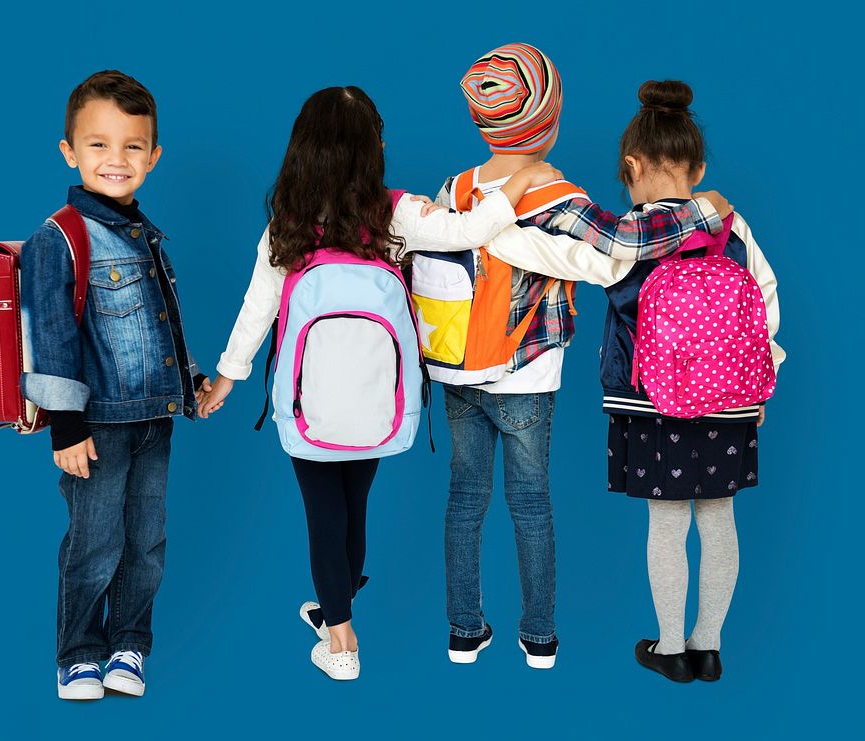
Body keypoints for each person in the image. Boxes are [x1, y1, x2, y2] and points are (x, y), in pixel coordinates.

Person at [195, 85, 563, 681]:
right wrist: (519, 180)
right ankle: (335, 613)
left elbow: (257, 308)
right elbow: (471, 231)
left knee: (322, 510)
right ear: (370, 150)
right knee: (353, 506)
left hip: (305, 400)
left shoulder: (285, 227)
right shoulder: (395, 212)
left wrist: (227, 379)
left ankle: (339, 638)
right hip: (378, 403)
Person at [431, 43, 732, 670]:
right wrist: (701, 211)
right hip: (524, 370)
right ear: (550, 118)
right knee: (531, 503)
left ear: (483, 119)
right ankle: (538, 639)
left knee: (464, 501)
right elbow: (620, 250)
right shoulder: (557, 193)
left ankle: (464, 633)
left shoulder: (454, 189)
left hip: (457, 370)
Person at [483, 79, 783, 682]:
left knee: (667, 524)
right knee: (719, 518)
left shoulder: (629, 238)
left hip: (651, 401)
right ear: (698, 168)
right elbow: (766, 300)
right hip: (730, 397)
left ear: (630, 167)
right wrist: (762, 377)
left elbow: (555, 258)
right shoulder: (727, 224)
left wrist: (490, 227)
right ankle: (708, 645)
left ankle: (670, 648)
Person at [20, 70, 210, 700]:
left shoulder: (144, 234)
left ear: (153, 157)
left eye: (132, 146)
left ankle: (129, 645)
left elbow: (157, 326)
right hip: (95, 426)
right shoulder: (61, 238)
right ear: (69, 153)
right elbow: (53, 335)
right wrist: (65, 428)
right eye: (97, 145)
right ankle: (78, 652)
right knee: (93, 544)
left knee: (145, 543)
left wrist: (188, 382)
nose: (116, 159)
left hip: (152, 418)